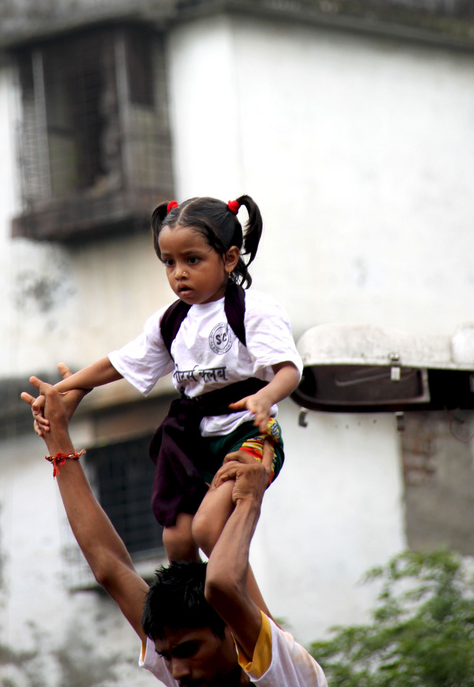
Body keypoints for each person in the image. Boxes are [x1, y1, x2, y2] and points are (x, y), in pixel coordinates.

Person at [27, 195, 302, 577]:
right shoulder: (169, 322)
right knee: (176, 540)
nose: (179, 273)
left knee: (208, 528)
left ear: (229, 259)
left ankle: (259, 627)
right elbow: (118, 364)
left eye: (192, 260)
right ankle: (200, 624)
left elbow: (289, 370)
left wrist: (264, 397)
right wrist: (64, 388)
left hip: (247, 436)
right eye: (169, 263)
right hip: (194, 441)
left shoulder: (255, 310)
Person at [21, 375, 328, 686]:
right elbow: (108, 567)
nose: (177, 672)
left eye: (188, 650)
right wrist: (56, 434)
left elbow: (222, 585)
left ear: (232, 630)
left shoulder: (287, 673)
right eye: (167, 656)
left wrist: (249, 500)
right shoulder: (190, 664)